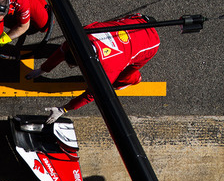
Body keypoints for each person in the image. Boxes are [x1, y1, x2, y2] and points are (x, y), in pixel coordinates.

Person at [26, 13, 160, 124]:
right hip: (137, 19)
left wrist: (64, 109)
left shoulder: (110, 68)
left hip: (149, 44)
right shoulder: (81, 35)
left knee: (121, 79)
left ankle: (134, 80)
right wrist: (43, 69)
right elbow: (62, 50)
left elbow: (92, 93)